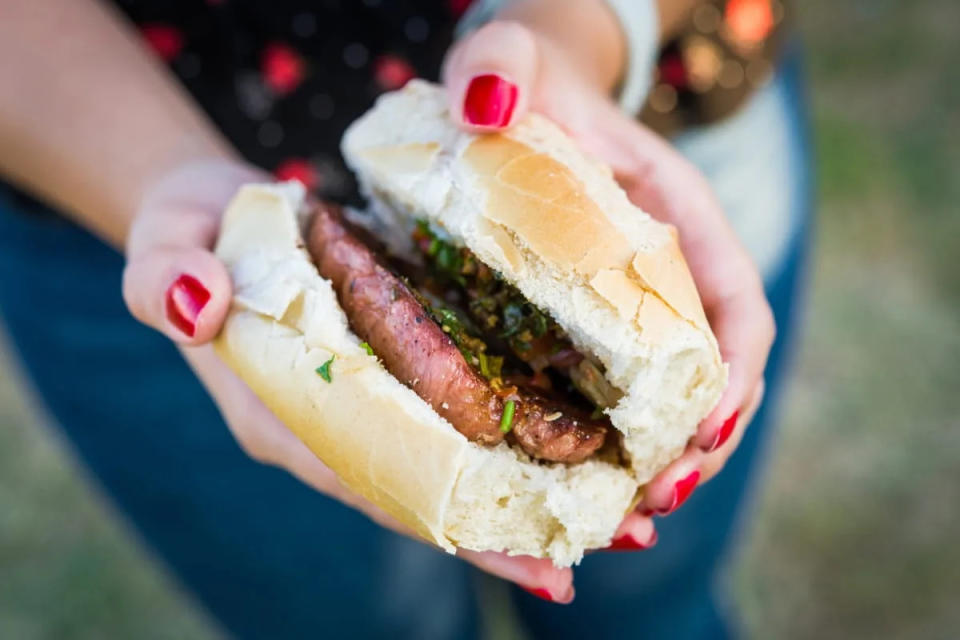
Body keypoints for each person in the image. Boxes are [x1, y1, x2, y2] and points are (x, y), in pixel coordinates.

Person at [0, 0, 809, 637]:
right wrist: (154, 176)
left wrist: (577, 28)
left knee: (652, 617)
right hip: (95, 169)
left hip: (648, 119)